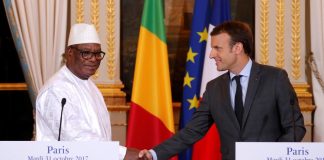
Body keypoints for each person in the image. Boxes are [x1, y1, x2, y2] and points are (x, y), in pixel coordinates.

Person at [138, 21, 306, 160]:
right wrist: (154, 154)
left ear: (237, 48)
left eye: (217, 48)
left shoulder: (275, 78)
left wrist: (274, 156)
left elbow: (295, 127)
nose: (211, 54)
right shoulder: (214, 88)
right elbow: (192, 131)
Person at [36, 23, 139, 160]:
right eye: (86, 53)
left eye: (97, 54)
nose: (93, 59)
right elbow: (77, 140)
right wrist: (123, 154)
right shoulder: (56, 90)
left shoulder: (91, 86)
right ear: (70, 53)